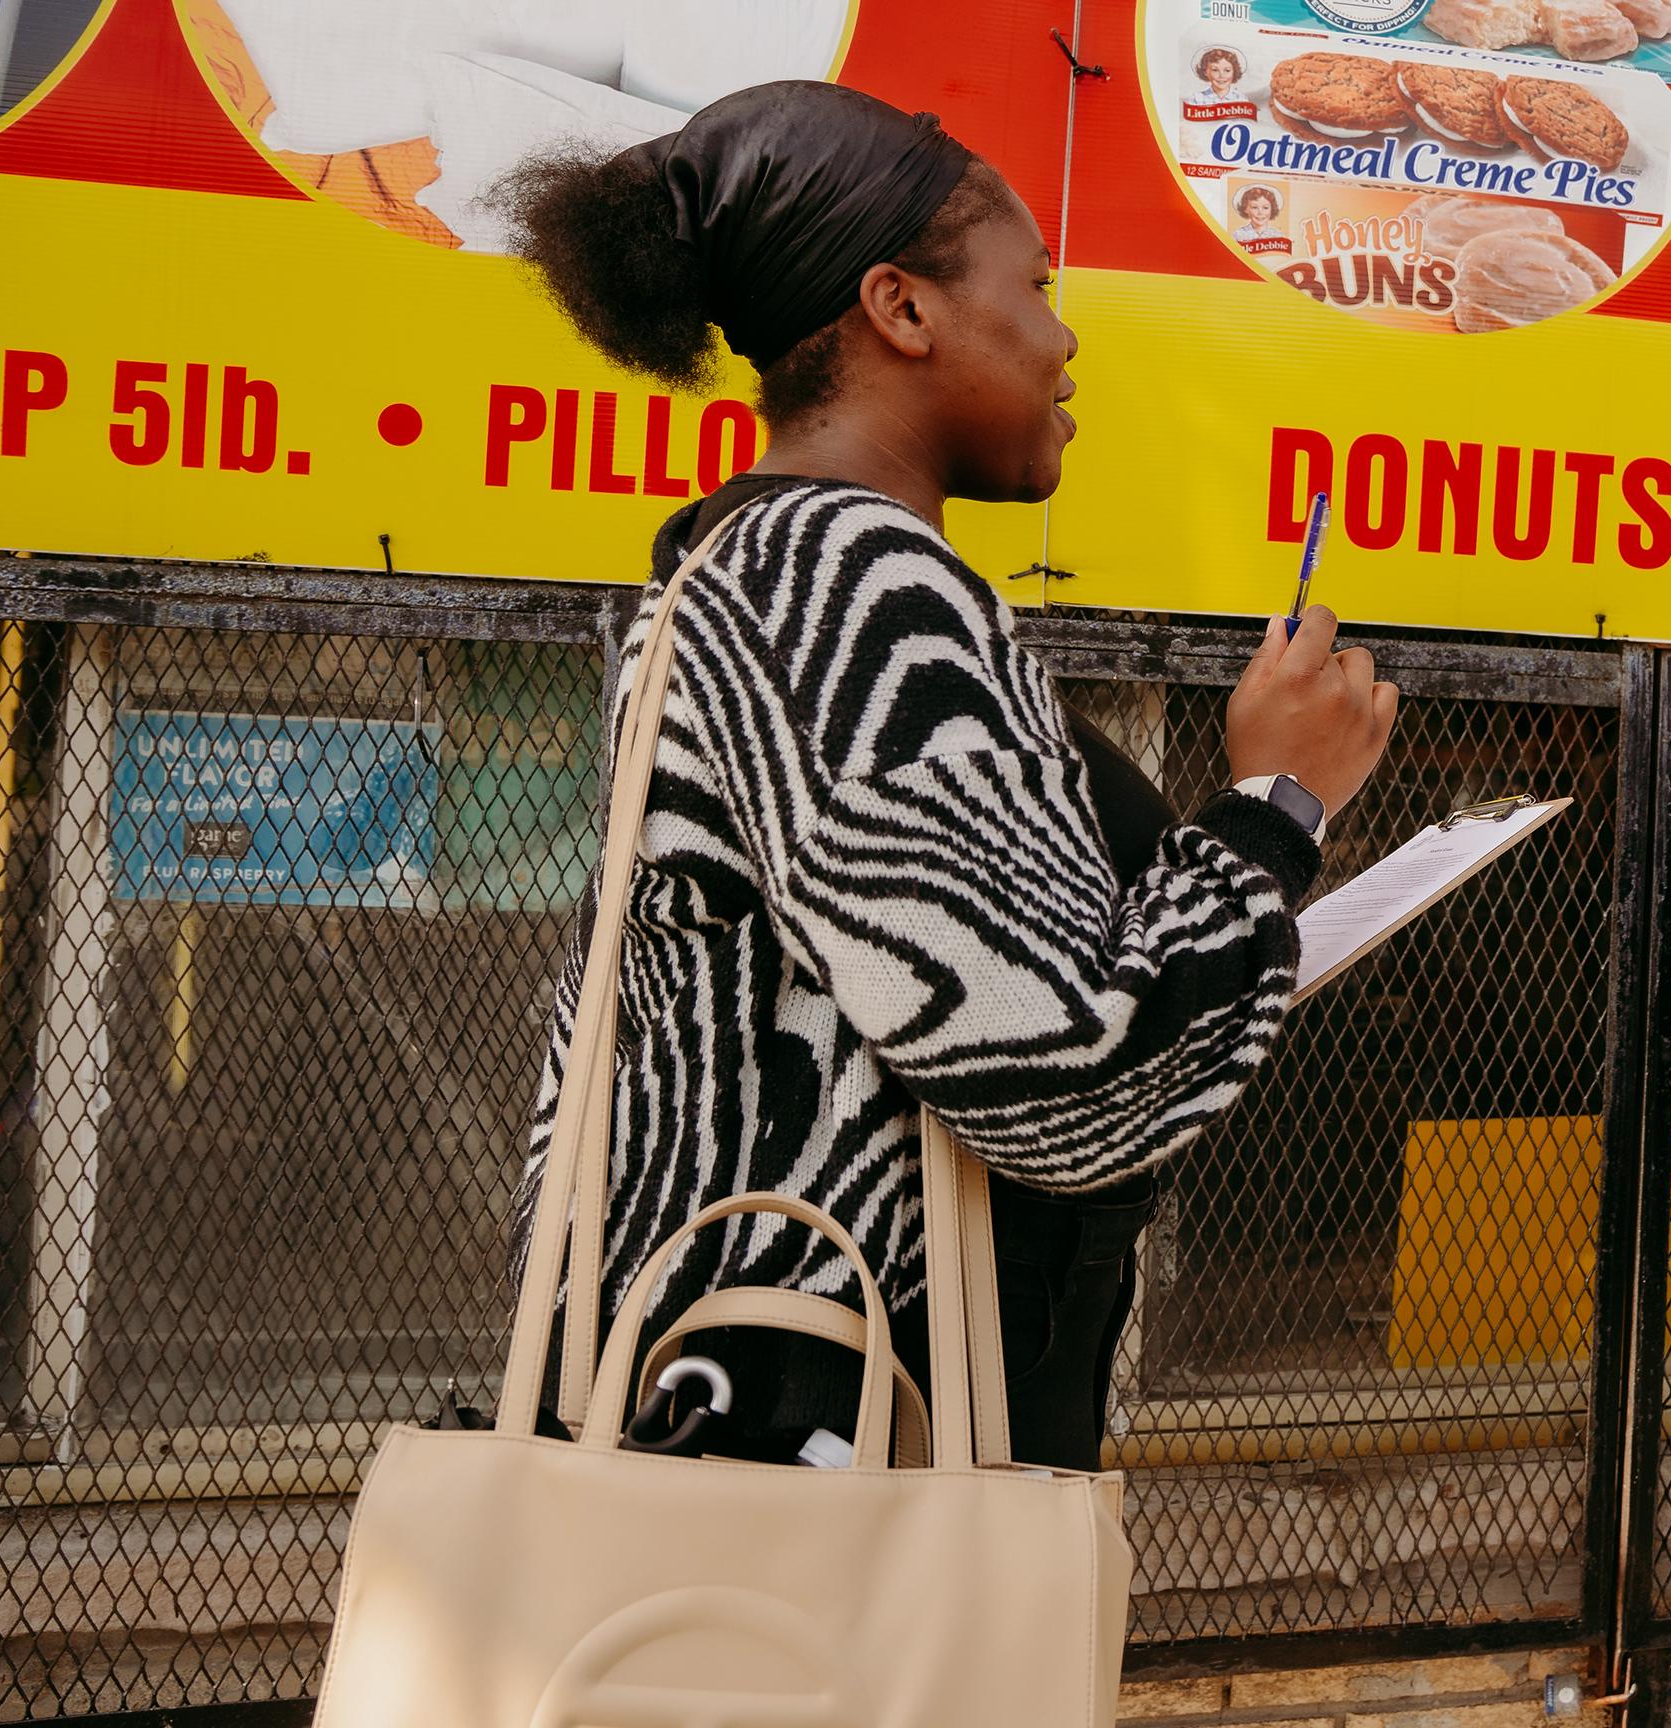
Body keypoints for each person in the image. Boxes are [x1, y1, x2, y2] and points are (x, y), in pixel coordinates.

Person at [496, 81, 1398, 1470]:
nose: (1065, 333)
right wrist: (1276, 805)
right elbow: (1068, 1083)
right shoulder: (846, 582)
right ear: (901, 310)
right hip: (812, 1477)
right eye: (1035, 285)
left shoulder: (747, 574)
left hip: (728, 1429)